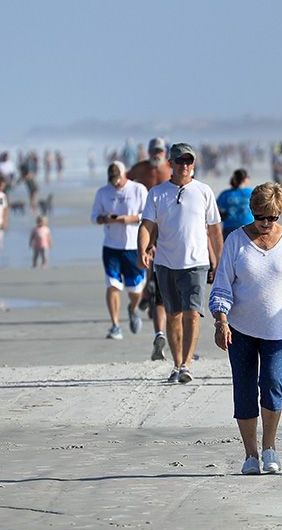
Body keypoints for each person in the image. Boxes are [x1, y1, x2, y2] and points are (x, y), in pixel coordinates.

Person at [209, 183, 282, 475]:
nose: (265, 223)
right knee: (243, 389)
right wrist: (221, 321)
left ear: (279, 213)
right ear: (251, 211)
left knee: (271, 384)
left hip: (278, 330)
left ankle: (270, 448)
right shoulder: (235, 241)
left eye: (272, 217)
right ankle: (250, 454)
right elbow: (222, 285)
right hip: (240, 329)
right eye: (259, 216)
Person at [138, 143, 224, 383]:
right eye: (180, 161)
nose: (185, 165)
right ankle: (176, 364)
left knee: (193, 314)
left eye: (189, 161)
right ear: (171, 164)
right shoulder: (157, 193)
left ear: (193, 164)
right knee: (174, 315)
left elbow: (215, 230)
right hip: (166, 264)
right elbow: (147, 225)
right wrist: (142, 250)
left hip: (197, 263)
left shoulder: (204, 191)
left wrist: (220, 260)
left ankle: (187, 364)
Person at [91, 161, 148, 340]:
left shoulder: (138, 190)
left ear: (125, 175)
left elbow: (148, 216)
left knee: (135, 289)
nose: (114, 183)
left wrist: (128, 219)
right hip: (111, 247)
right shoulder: (103, 192)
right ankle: (115, 325)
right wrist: (104, 218)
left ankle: (132, 308)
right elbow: (94, 217)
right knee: (112, 286)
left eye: (117, 179)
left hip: (133, 246)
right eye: (112, 180)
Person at [127, 138, 173, 360]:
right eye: (153, 150)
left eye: (160, 150)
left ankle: (147, 295)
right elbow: (125, 181)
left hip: (166, 226)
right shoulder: (141, 168)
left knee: (160, 279)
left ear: (165, 152)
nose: (156, 154)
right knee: (150, 269)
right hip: (146, 223)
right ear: (149, 151)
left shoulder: (171, 169)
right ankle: (148, 294)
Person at [216, 169, 254, 240]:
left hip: (229, 227)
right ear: (245, 179)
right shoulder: (251, 192)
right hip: (248, 225)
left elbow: (216, 209)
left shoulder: (226, 194)